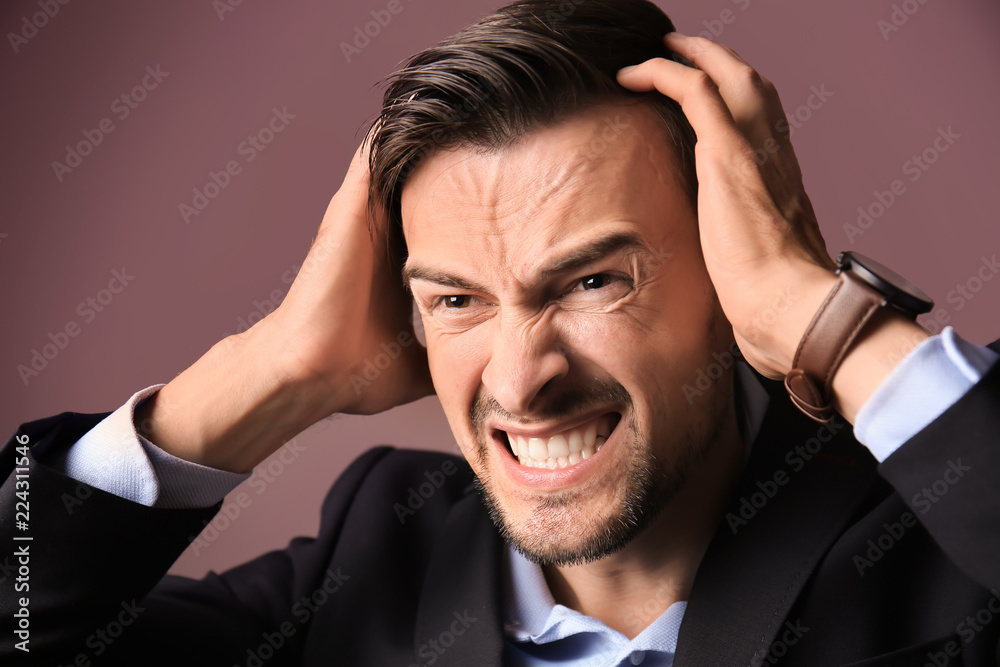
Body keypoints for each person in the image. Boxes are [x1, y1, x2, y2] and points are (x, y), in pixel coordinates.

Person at [2, 1, 998, 665]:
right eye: (456, 300)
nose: (522, 381)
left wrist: (821, 320)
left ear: (729, 275)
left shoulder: (932, 527)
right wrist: (281, 367)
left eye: (594, 279)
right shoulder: (373, 561)